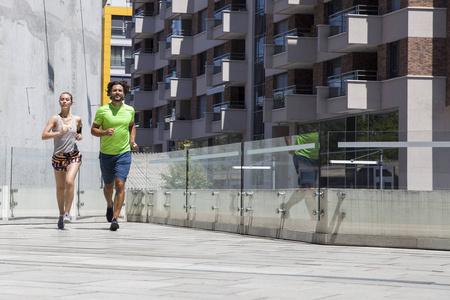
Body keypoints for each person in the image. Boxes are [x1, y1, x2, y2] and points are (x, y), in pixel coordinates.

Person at [91, 80, 137, 231]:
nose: (117, 93)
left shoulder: (130, 110)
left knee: (120, 184)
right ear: (110, 93)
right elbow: (93, 130)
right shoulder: (102, 111)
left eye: (120, 90)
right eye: (114, 90)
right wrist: (104, 132)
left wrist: (132, 141)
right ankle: (109, 205)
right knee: (108, 185)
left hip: (123, 153)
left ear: (124, 93)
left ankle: (115, 218)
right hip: (106, 154)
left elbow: (131, 126)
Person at [42, 92, 83, 229]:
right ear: (59, 102)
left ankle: (67, 213)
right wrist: (59, 132)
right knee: (60, 188)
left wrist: (79, 136)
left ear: (71, 102)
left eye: (67, 99)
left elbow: (79, 130)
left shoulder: (77, 119)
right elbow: (44, 135)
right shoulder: (55, 119)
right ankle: (60, 214)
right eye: (62, 99)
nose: (65, 101)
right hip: (59, 156)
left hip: (73, 155)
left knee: (69, 181)